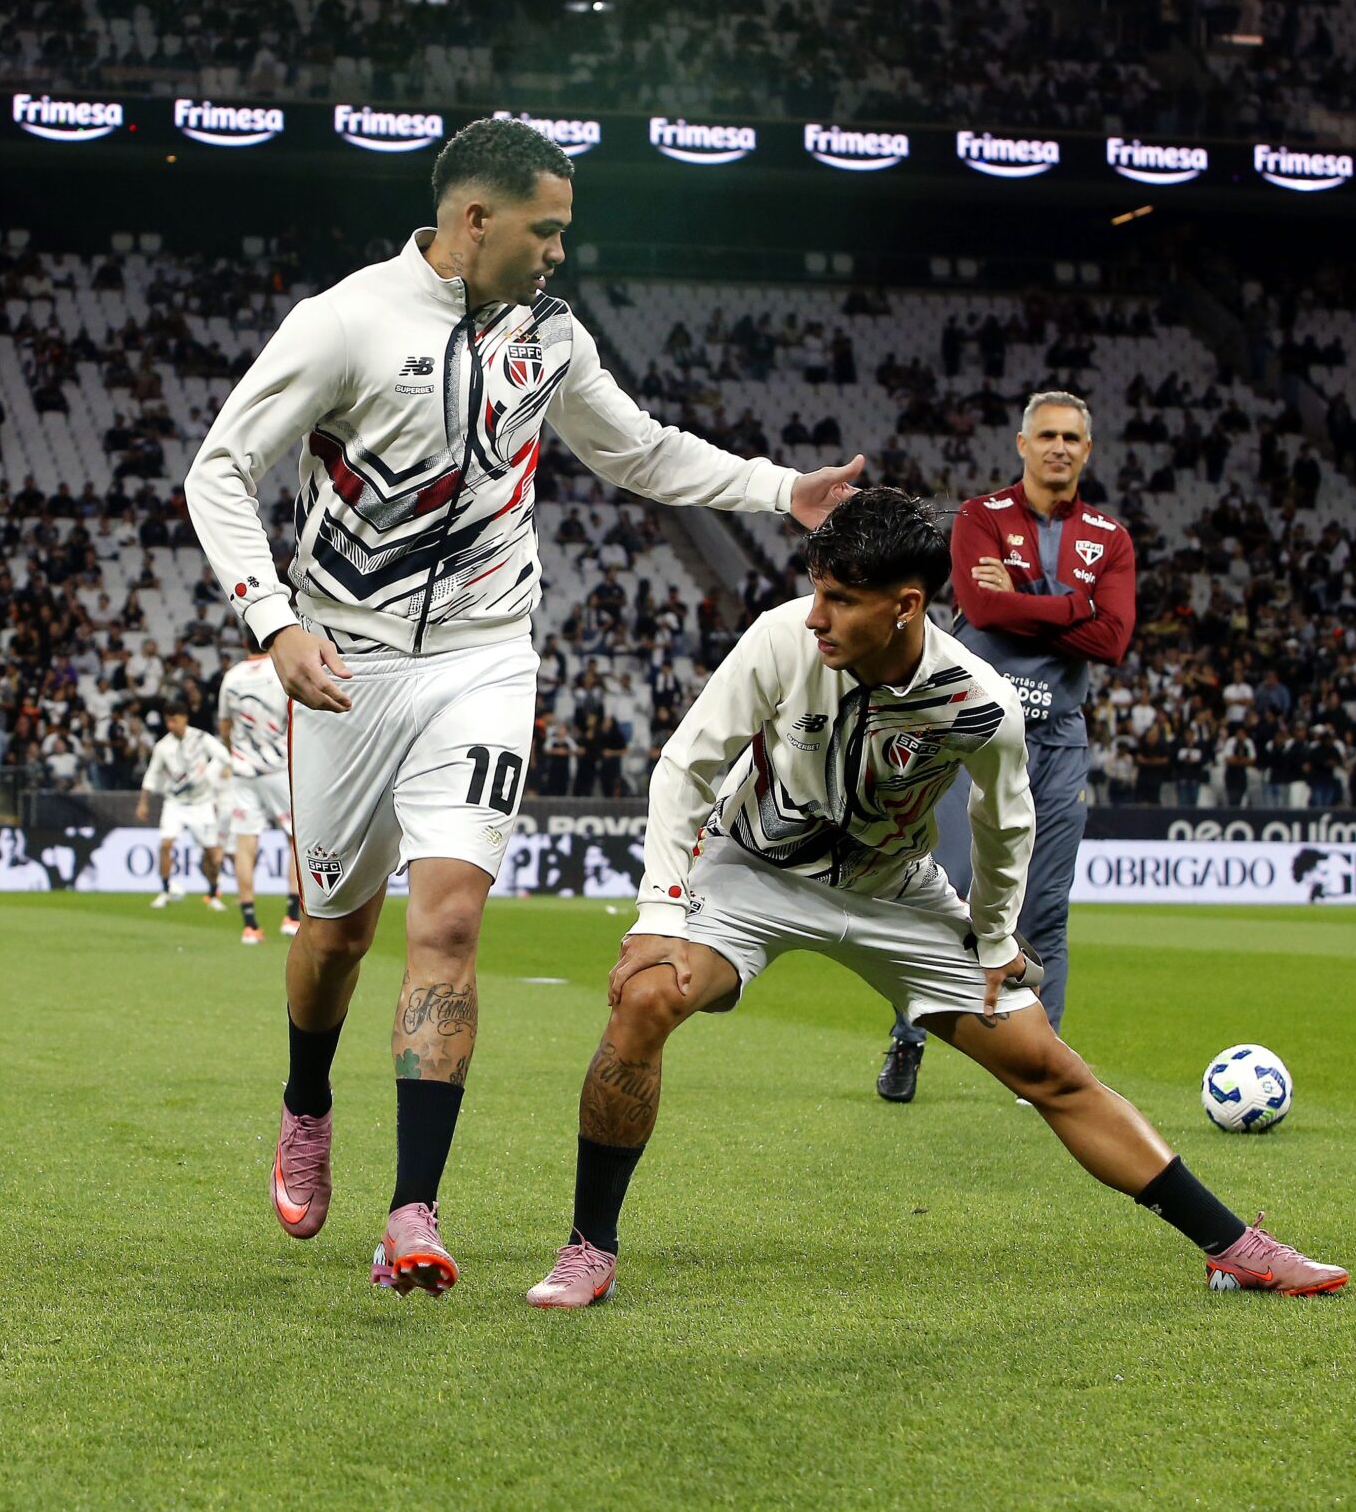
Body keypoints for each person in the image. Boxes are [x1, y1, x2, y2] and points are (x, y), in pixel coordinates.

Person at [184, 116, 861, 1292]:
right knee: (336, 934)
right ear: (475, 219)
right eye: (545, 229)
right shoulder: (345, 321)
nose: (558, 251)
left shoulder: (549, 337)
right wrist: (274, 623)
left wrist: (776, 489)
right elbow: (219, 471)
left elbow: (638, 451)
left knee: (446, 927)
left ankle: (412, 1209)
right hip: (344, 662)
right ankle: (305, 1102)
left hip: (486, 659)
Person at [522, 492, 1346, 1306]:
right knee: (645, 995)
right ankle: (589, 1248)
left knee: (1046, 1067)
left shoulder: (976, 700)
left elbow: (1005, 822)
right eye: (817, 590)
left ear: (906, 605)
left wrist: (993, 939)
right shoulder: (780, 638)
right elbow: (687, 766)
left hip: (897, 892)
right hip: (751, 871)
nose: (817, 616)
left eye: (840, 599)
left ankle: (1236, 1246)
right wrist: (660, 917)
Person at [881, 391, 1135, 1105]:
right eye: (1046, 434)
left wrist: (1027, 594)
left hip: (1057, 736)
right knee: (948, 895)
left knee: (1045, 906)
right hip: (971, 730)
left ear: (1088, 449)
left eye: (1072, 437)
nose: (1059, 446)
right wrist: (1073, 606)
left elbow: (1113, 639)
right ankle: (909, 1035)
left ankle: (1040, 1068)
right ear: (1021, 443)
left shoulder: (1109, 537)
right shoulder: (978, 519)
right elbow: (983, 608)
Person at [218, 631, 302, 945]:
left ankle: (250, 924)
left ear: (243, 644)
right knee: (296, 839)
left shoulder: (232, 677)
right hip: (279, 766)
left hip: (243, 770)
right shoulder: (279, 669)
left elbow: (225, 725)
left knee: (245, 844)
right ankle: (291, 916)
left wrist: (236, 752)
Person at [138, 701, 228, 910]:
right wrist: (143, 802)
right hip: (175, 803)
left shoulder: (201, 738)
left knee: (212, 854)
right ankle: (166, 889)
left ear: (184, 718)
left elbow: (223, 756)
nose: (170, 725)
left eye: (174, 720)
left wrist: (210, 775)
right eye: (167, 720)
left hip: (202, 803)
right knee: (166, 844)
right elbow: (152, 775)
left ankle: (213, 892)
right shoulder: (163, 746)